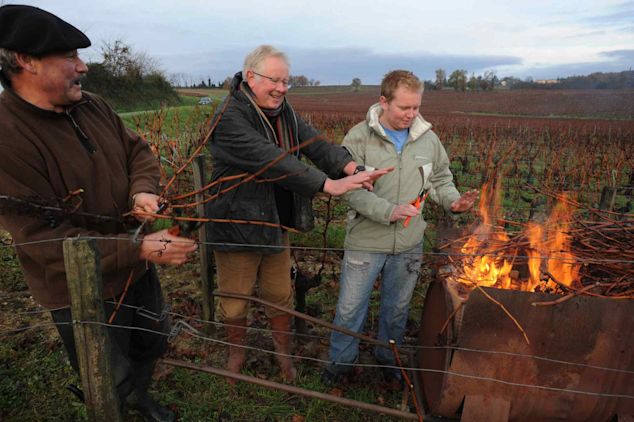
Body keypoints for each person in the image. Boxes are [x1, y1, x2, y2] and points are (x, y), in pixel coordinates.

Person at [0, 5, 196, 421]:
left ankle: (140, 398)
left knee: (150, 342)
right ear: (25, 61)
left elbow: (137, 151)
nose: (83, 66)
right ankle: (117, 407)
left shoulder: (93, 106)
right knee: (107, 371)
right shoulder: (7, 138)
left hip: (134, 267)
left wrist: (142, 191)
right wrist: (140, 248)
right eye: (70, 56)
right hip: (78, 287)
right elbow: (42, 238)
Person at [206, 45, 390, 383]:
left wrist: (352, 167)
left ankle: (283, 355)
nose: (281, 88)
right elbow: (271, 159)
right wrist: (327, 185)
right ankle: (236, 355)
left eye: (286, 81)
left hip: (275, 222)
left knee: (279, 294)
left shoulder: (284, 111)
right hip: (237, 223)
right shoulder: (229, 116)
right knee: (234, 301)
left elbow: (315, 144)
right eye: (274, 80)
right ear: (250, 77)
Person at [323, 70, 478, 386]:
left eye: (416, 107)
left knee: (396, 311)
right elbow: (350, 190)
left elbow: (440, 180)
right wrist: (388, 211)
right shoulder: (358, 137)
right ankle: (340, 365)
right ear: (383, 101)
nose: (410, 115)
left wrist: (453, 202)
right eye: (403, 108)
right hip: (365, 241)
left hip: (409, 243)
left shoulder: (428, 139)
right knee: (350, 309)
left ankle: (388, 359)